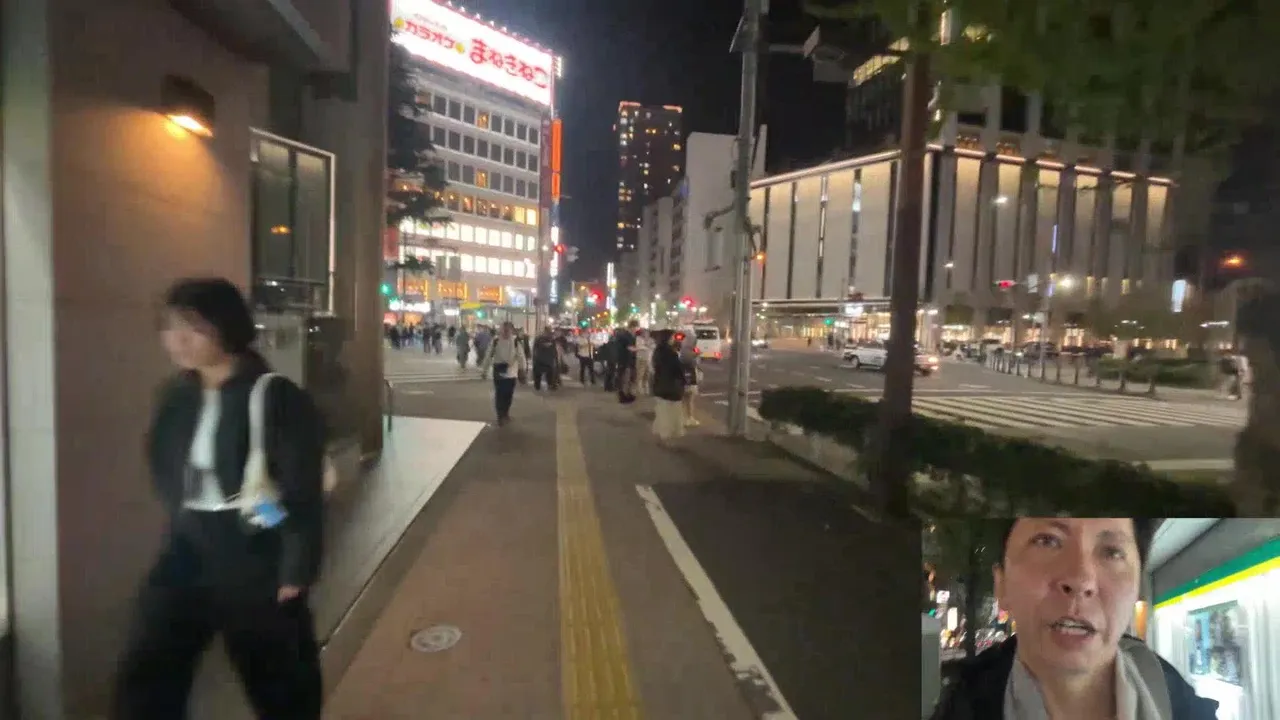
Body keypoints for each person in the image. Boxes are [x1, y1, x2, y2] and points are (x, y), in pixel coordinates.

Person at [114, 278, 327, 719]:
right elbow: (163, 462)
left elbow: (302, 489)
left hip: (256, 543)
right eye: (169, 327)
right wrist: (183, 516)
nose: (178, 340)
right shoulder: (175, 395)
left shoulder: (276, 396)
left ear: (227, 326)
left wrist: (296, 567)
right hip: (187, 544)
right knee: (148, 668)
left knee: (279, 681)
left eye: (194, 328)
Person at [930, 517, 1217, 720]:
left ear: (1136, 590)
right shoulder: (958, 708)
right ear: (1001, 584)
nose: (1080, 580)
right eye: (1047, 541)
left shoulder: (1184, 706)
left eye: (1111, 552)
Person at [481, 322, 526, 425]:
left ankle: (505, 413)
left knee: (508, 395)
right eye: (503, 330)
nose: (505, 332)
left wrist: (522, 370)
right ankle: (500, 415)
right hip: (499, 371)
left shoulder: (515, 342)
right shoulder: (495, 341)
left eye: (507, 330)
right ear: (500, 330)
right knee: (499, 394)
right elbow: (488, 356)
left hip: (511, 373)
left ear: (511, 330)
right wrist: (484, 370)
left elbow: (521, 357)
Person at [650, 329, 687, 443]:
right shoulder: (671, 354)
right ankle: (667, 437)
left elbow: (654, 367)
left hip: (659, 385)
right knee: (671, 413)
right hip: (671, 387)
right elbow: (678, 370)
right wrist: (684, 381)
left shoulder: (657, 351)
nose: (673, 339)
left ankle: (661, 434)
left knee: (662, 411)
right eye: (672, 337)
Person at [531, 327, 559, 391]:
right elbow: (554, 351)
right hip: (546, 360)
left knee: (539, 374)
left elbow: (535, 349)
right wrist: (555, 358)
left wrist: (534, 358)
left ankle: (538, 386)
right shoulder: (551, 339)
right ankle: (548, 385)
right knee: (548, 374)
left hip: (541, 360)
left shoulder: (540, 338)